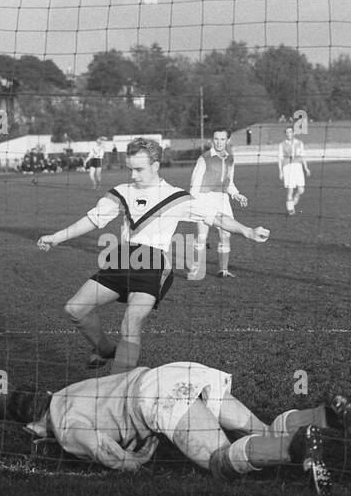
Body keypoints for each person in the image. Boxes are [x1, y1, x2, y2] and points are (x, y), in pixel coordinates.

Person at [36, 136, 269, 373]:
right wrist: (57, 237)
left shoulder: (177, 197)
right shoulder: (121, 192)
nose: (134, 175)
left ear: (155, 166)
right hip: (121, 259)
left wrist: (247, 231)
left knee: (131, 321)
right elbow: (93, 220)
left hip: (153, 264)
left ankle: (120, 386)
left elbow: (217, 217)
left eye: (139, 169)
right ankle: (105, 348)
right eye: (130, 169)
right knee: (75, 309)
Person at [0, 362, 351, 494]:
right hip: (175, 371)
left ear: (30, 426)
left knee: (221, 462)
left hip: (157, 398)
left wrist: (136, 460)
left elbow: (106, 452)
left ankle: (296, 450)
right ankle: (325, 416)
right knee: (259, 428)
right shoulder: (68, 390)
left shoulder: (63, 426)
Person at [188, 127, 248, 279]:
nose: (219, 142)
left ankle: (223, 270)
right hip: (204, 200)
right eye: (216, 139)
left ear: (228, 140)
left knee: (225, 236)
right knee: (202, 236)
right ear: (212, 140)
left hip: (222, 200)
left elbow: (229, 182)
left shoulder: (230, 159)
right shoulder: (204, 158)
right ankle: (195, 269)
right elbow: (194, 183)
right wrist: (193, 204)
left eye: (222, 139)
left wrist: (236, 194)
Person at [278, 122, 310, 215]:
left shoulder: (299, 143)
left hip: (298, 167)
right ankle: (290, 209)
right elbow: (280, 159)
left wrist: (306, 168)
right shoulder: (282, 145)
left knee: (301, 190)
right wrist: (280, 172)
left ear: (294, 133)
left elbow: (303, 156)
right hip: (287, 167)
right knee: (290, 189)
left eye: (290, 132)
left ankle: (295, 199)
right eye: (287, 132)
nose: (289, 134)